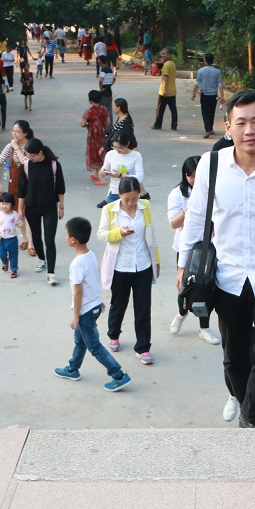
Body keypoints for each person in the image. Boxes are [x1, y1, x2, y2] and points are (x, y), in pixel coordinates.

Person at [179, 90, 255, 428]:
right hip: (226, 276)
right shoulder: (211, 164)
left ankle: (252, 419)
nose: (249, 130)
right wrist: (183, 266)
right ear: (228, 127)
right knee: (234, 358)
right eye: (240, 123)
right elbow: (196, 218)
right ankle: (247, 407)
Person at [54, 217, 134, 391]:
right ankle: (73, 368)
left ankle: (118, 375)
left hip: (85, 312)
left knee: (95, 346)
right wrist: (98, 301)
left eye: (66, 234)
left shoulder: (77, 264)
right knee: (80, 341)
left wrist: (76, 316)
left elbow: (78, 292)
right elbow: (93, 282)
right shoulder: (89, 255)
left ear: (73, 240)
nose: (65, 237)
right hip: (94, 306)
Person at [98, 176, 159, 365]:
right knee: (119, 304)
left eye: (135, 198)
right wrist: (119, 233)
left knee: (143, 308)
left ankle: (143, 347)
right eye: (127, 199)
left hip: (143, 264)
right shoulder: (110, 209)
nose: (131, 203)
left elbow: (152, 234)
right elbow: (101, 234)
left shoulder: (145, 206)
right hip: (120, 266)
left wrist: (156, 261)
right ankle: (113, 334)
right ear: (119, 195)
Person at [167, 156, 219, 345]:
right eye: (191, 177)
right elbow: (174, 224)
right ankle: (182, 313)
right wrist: (188, 211)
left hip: (210, 249)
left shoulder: (213, 190)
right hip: (187, 248)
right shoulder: (177, 194)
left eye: (199, 176)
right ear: (185, 175)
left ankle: (204, 328)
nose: (196, 181)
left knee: (206, 287)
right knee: (185, 285)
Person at [18, 138, 65, 285]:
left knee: (49, 240)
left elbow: (60, 188)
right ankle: (41, 259)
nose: (30, 158)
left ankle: (51, 273)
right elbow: (21, 190)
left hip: (50, 208)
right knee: (36, 237)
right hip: (32, 208)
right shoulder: (26, 165)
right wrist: (20, 209)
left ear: (40, 152)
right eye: (28, 155)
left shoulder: (54, 165)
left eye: (32, 155)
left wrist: (61, 207)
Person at [0, 121, 34, 253]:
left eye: (18, 131)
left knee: (30, 214)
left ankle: (31, 244)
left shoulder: (31, 145)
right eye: (13, 131)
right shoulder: (10, 146)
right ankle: (25, 238)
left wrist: (16, 147)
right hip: (15, 185)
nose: (15, 134)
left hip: (30, 185)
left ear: (25, 133)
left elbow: (26, 162)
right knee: (19, 213)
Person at [99, 133, 143, 204]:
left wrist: (120, 175)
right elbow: (103, 171)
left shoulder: (136, 156)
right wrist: (103, 173)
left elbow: (139, 178)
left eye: (120, 147)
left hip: (130, 193)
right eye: (114, 147)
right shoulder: (110, 154)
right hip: (114, 191)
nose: (117, 150)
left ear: (128, 143)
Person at [193, 53, 224, 137]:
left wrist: (194, 93)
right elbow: (220, 83)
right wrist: (222, 95)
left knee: (205, 113)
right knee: (211, 112)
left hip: (204, 95)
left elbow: (197, 83)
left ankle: (208, 130)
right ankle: (210, 128)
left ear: (205, 60)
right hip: (213, 95)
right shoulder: (217, 71)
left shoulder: (201, 71)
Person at [81, 90, 109, 184]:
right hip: (103, 135)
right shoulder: (105, 109)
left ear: (90, 101)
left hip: (93, 136)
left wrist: (89, 125)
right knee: (101, 153)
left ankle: (102, 179)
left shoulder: (89, 111)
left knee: (95, 154)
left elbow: (82, 123)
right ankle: (96, 174)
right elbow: (108, 122)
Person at [0, 192, 22, 278]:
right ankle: (5, 262)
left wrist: (20, 224)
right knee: (1, 254)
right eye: (2, 203)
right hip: (1, 240)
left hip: (12, 239)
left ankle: (13, 269)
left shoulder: (15, 214)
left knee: (13, 256)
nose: (4, 206)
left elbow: (18, 223)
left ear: (12, 204)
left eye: (7, 204)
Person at [152, 48, 178, 130]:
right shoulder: (172, 63)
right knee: (173, 109)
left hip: (164, 91)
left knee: (160, 109)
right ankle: (174, 125)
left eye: (164, 54)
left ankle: (157, 125)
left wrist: (165, 89)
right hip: (172, 91)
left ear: (169, 55)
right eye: (161, 54)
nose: (162, 55)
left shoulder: (166, 65)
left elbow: (166, 77)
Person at [98, 56, 116, 124]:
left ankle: (101, 124)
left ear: (100, 61)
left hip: (104, 93)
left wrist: (101, 89)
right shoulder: (110, 69)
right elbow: (114, 79)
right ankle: (110, 126)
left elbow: (101, 80)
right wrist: (109, 85)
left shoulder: (103, 70)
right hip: (109, 91)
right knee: (109, 110)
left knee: (100, 109)